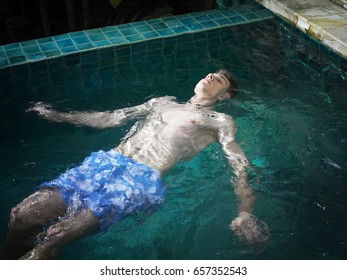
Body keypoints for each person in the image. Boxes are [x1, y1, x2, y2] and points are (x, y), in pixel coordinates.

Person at [4, 70, 269, 260]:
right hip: (105, 164)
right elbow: (109, 119)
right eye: (211, 73)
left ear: (224, 96)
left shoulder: (219, 120)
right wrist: (58, 116)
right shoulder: (162, 102)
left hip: (140, 180)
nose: (211, 76)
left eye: (219, 79)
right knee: (20, 216)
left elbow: (239, 164)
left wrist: (246, 211)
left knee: (53, 239)